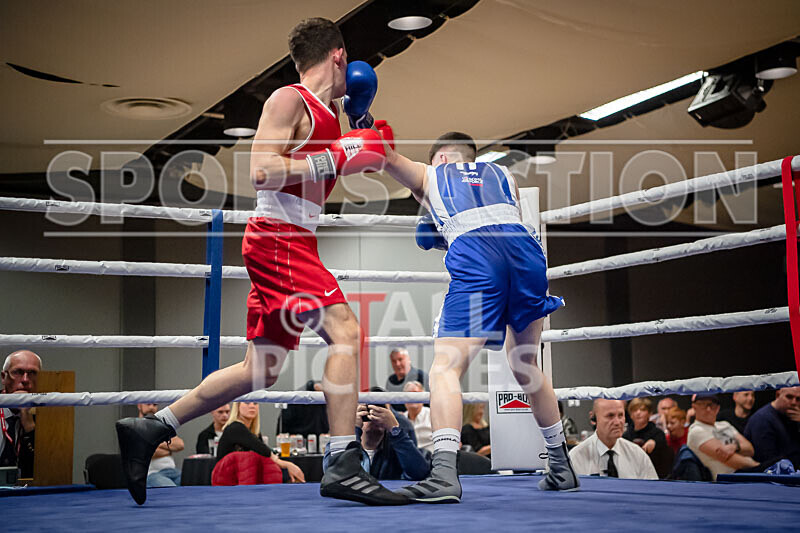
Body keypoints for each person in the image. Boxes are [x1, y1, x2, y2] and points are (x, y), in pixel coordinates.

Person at [114, 17, 407, 506]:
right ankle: (342, 462)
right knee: (347, 333)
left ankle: (150, 427)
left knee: (260, 370)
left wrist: (361, 127)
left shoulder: (330, 113)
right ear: (339, 55)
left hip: (293, 239)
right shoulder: (288, 99)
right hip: (280, 237)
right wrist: (336, 156)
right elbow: (262, 171)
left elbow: (343, 157)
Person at [379, 130, 578, 502]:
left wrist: (360, 116)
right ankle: (561, 465)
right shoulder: (506, 177)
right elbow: (499, 222)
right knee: (526, 364)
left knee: (445, 368)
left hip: (477, 257)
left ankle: (442, 473)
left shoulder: (432, 174)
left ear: (440, 158)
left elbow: (385, 156)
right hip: (527, 255)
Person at [323, 401, 429, 481]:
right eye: (367, 411)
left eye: (381, 411)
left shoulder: (397, 446)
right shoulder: (342, 441)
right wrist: (352, 429)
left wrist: (395, 430)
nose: (373, 416)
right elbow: (332, 473)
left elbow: (419, 474)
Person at [569, 399, 658, 479]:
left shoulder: (637, 455)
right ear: (593, 418)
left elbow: (653, 492)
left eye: (620, 415)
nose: (617, 422)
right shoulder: (576, 457)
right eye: (610, 416)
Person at [217, 401, 304, 482]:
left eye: (255, 403)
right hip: (227, 479)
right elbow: (264, 451)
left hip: (245, 478)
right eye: (247, 402)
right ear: (238, 406)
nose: (252, 406)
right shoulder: (235, 428)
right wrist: (286, 464)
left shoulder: (254, 432)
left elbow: (264, 452)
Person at [687, 393, 758, 480]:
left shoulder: (724, 424)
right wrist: (758, 466)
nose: (708, 409)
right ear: (694, 407)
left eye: (712, 405)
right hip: (731, 478)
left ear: (718, 408)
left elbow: (750, 449)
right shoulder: (697, 431)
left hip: (747, 473)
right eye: (703, 404)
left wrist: (735, 447)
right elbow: (732, 460)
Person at [0, 350, 40, 478]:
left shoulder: (48, 416)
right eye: (17, 372)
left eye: (32, 373)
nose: (25, 380)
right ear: (3, 377)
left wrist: (29, 427)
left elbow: (48, 466)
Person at [744, 386, 800, 468]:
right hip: (768, 476)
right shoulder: (763, 419)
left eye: (798, 399)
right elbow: (768, 461)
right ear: (778, 395)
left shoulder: (792, 416)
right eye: (789, 397)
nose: (794, 402)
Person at [622, 398, 673, 478]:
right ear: (631, 415)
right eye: (635, 410)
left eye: (642, 410)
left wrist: (655, 443)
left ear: (650, 414)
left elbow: (665, 458)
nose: (638, 413)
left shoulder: (658, 433)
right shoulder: (625, 436)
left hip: (654, 476)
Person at [137, 403, 184, 488]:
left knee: (194, 485)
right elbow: (146, 453)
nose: (151, 407)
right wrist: (168, 447)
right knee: (173, 492)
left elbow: (180, 445)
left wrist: (154, 443)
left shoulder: (163, 425)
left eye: (154, 404)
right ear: (139, 405)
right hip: (151, 474)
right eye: (148, 404)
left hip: (173, 471)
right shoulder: (135, 427)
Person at [385, 348, 428, 412]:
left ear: (409, 360)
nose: (397, 364)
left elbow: (430, 403)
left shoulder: (421, 377)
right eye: (394, 361)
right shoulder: (390, 380)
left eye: (400, 359)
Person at [403, 381, 433, 454]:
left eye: (416, 393)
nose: (412, 397)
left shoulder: (433, 415)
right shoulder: (400, 419)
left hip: (432, 459)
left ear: (423, 397)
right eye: (409, 394)